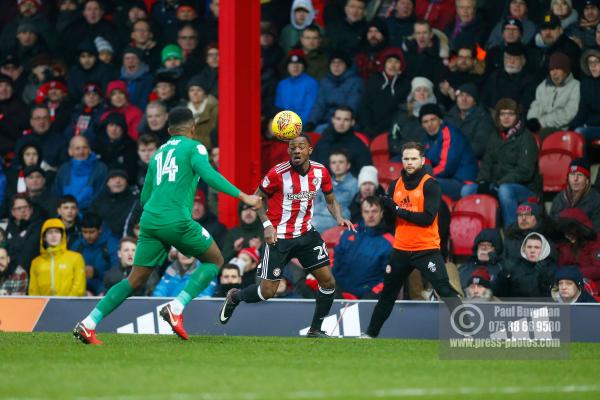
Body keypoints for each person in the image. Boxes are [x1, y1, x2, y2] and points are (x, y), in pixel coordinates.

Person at [73, 107, 260, 344]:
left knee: (134, 280)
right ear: (192, 128)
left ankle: (88, 323)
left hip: (150, 221)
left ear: (170, 130)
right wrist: (244, 196)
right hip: (176, 220)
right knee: (215, 260)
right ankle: (177, 306)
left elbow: (144, 197)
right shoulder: (195, 147)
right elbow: (209, 175)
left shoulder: (158, 153)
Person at [218, 134, 355, 338]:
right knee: (266, 292)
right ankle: (235, 297)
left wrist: (338, 217)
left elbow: (330, 198)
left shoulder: (321, 172)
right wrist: (267, 225)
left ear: (310, 150)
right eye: (292, 148)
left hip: (306, 234)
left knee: (328, 282)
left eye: (301, 147)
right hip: (278, 238)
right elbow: (257, 199)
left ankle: (315, 329)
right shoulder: (277, 173)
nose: (296, 151)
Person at [362, 142, 462, 338]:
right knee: (387, 294)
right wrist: (387, 209)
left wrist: (397, 209)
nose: (409, 162)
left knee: (445, 290)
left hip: (426, 249)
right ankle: (370, 335)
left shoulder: (430, 184)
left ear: (422, 160)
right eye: (406, 158)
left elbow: (426, 219)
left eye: (413, 158)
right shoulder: (395, 184)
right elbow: (393, 221)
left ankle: (470, 330)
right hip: (401, 249)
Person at [461, 98, 540, 228]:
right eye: (503, 114)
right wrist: (482, 181)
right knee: (467, 190)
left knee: (505, 190)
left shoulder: (526, 138)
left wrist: (498, 184)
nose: (506, 117)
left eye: (510, 114)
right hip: (496, 184)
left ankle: (511, 231)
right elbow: (487, 163)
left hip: (524, 188)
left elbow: (525, 171)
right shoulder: (495, 136)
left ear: (517, 116)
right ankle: (475, 230)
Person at [333, 196, 393, 298]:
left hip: (366, 298)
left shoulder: (389, 242)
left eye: (374, 211)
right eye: (366, 211)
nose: (370, 215)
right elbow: (335, 260)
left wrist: (371, 295)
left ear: (381, 213)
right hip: (338, 293)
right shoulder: (349, 232)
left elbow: (389, 278)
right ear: (361, 213)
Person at [419, 103, 478, 200]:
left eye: (433, 120)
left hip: (463, 182)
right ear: (422, 125)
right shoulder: (426, 139)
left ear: (440, 120)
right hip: (446, 179)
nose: (429, 124)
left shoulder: (450, 134)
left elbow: (446, 167)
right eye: (425, 122)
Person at [526, 52, 580, 136]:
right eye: (551, 69)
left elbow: (569, 113)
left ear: (566, 71)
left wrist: (542, 122)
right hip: (539, 126)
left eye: (558, 69)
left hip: (561, 128)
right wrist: (532, 120)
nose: (554, 73)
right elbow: (536, 105)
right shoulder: (543, 85)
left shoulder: (575, 86)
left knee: (533, 137)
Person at [28, 218, 86, 296]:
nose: (53, 235)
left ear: (62, 236)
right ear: (44, 237)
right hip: (44, 306)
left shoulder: (76, 258)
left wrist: (66, 304)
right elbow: (33, 291)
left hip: (70, 306)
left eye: (57, 232)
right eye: (50, 232)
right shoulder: (36, 262)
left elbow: (79, 288)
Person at [311, 106, 373, 177]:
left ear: (352, 122)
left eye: (346, 120)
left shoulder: (359, 146)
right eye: (338, 119)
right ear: (333, 120)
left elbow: (367, 173)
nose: (341, 123)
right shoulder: (322, 141)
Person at [493, 232, 556, 299]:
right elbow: (498, 293)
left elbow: (552, 298)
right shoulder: (514, 266)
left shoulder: (550, 268)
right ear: (523, 249)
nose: (532, 250)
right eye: (529, 247)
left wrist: (544, 281)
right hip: (514, 308)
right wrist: (504, 275)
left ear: (544, 250)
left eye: (537, 247)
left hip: (541, 308)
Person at [53, 135, 107, 211]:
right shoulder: (64, 169)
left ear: (89, 150)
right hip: (66, 214)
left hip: (90, 214)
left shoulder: (100, 168)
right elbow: (57, 193)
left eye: (84, 148)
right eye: (77, 148)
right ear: (70, 152)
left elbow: (100, 195)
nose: (81, 152)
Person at [444, 83, 495, 160]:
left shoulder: (483, 118)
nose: (464, 99)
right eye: (461, 95)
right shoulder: (449, 117)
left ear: (475, 101)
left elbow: (480, 146)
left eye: (468, 95)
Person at [312, 150, 358, 232]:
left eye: (341, 162)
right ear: (330, 165)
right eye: (333, 162)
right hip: (317, 215)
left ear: (348, 165)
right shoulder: (324, 181)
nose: (337, 165)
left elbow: (354, 209)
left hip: (336, 219)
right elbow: (316, 203)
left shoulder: (355, 184)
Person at [550, 158, 600, 231]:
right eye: (572, 174)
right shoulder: (560, 198)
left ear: (587, 180)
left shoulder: (596, 200)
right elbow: (552, 226)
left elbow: (596, 231)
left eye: (579, 175)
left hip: (587, 240)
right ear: (568, 178)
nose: (575, 179)